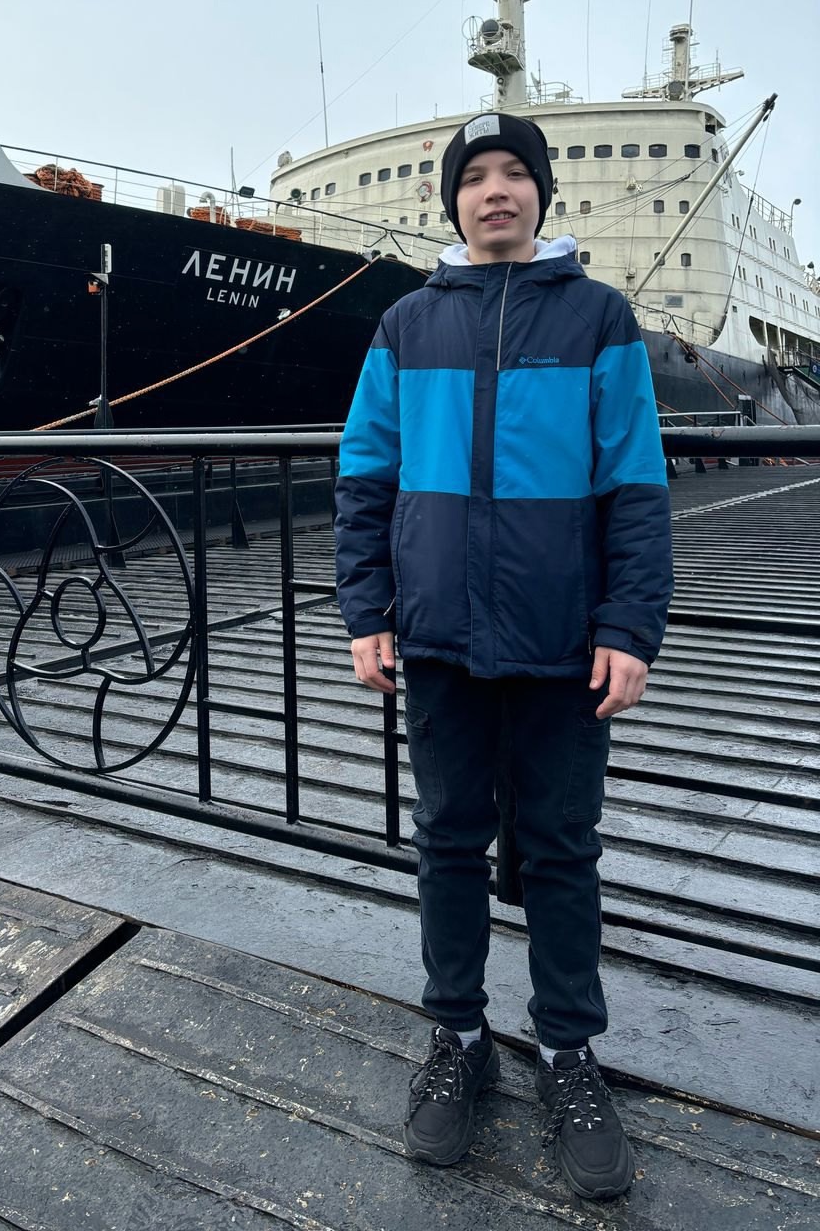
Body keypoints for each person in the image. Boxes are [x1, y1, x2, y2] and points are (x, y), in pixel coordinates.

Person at [334, 112, 673, 1202]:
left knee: (563, 847)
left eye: (513, 173)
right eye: (474, 176)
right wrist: (366, 610)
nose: (494, 190)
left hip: (562, 640)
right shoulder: (406, 322)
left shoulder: (599, 317)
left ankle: (569, 1050)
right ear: (453, 200)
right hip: (437, 637)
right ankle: (460, 1036)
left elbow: (635, 484)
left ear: (540, 194)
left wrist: (628, 626)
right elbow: (366, 477)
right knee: (447, 841)